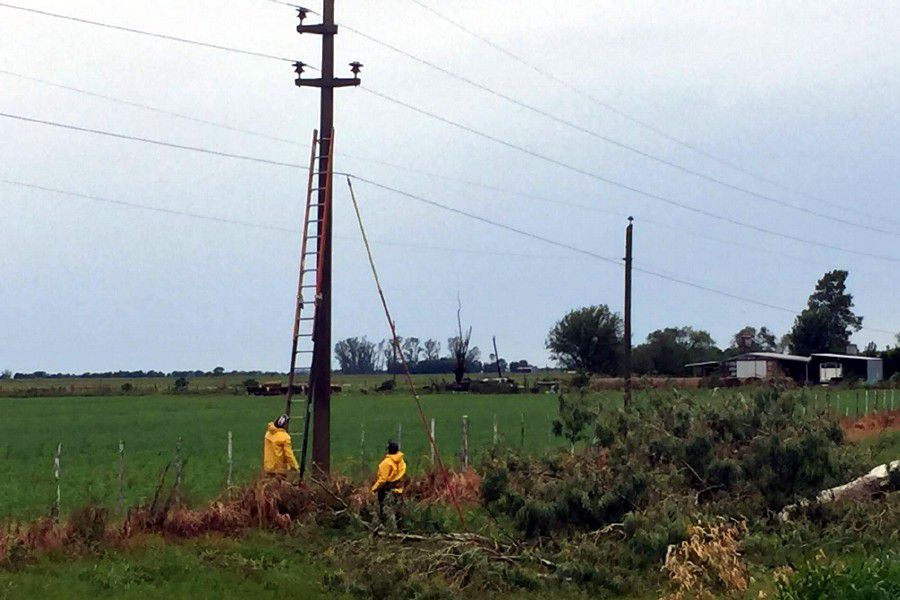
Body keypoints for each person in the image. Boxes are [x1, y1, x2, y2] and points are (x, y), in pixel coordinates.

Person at [371, 440, 406, 530]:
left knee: (387, 511)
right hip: (399, 489)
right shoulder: (401, 462)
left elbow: (383, 480)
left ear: (388, 450)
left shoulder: (386, 463)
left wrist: (373, 489)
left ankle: (391, 532)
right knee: (397, 512)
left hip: (387, 490)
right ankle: (400, 529)